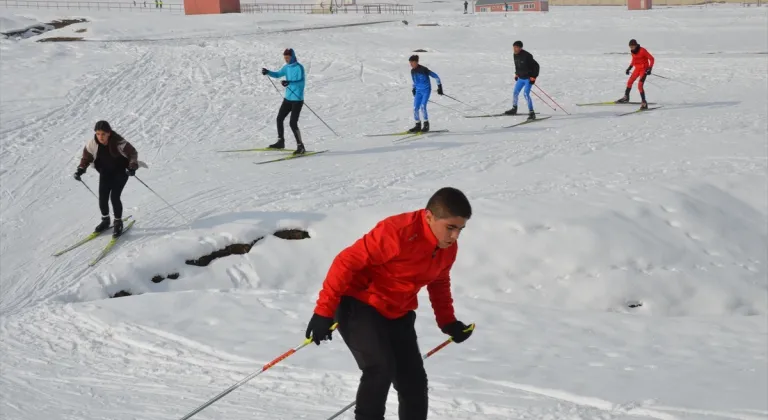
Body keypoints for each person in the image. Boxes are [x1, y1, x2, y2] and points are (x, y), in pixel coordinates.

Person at [305, 187, 475, 420]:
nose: (455, 236)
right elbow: (345, 262)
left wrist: (448, 322)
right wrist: (323, 311)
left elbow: (439, 281)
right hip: (360, 304)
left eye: (460, 229)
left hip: (398, 311)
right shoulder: (397, 232)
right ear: (429, 217)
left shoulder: (447, 248)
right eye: (450, 227)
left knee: (413, 382)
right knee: (379, 369)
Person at [74, 120, 139, 237]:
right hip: (105, 172)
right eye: (98, 134)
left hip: (121, 172)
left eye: (103, 134)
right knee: (103, 197)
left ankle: (118, 222)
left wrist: (132, 166)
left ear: (109, 133)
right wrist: (81, 169)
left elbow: (132, 153)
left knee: (114, 197)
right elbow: (86, 157)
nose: (100, 137)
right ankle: (105, 220)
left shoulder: (118, 141)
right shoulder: (92, 144)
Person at [262, 48, 307, 155]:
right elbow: (278, 74)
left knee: (292, 123)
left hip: (297, 100)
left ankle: (301, 147)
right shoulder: (286, 67)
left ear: (293, 57)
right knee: (279, 119)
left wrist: (289, 82)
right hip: (287, 98)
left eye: (288, 58)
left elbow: (301, 81)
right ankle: (280, 141)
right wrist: (268, 72)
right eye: (285, 58)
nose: (286, 60)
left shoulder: (299, 67)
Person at [408, 54, 444, 133]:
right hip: (418, 91)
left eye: (412, 62)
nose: (411, 64)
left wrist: (440, 87)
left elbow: (436, 76)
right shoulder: (412, 71)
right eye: (410, 62)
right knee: (415, 108)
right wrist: (413, 88)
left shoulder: (424, 69)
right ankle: (417, 125)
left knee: (422, 106)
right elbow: (414, 81)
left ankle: (426, 125)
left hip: (426, 90)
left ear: (416, 62)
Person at [506, 40, 540, 120]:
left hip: (528, 78)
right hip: (521, 78)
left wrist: (533, 76)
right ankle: (514, 109)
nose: (515, 49)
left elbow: (536, 66)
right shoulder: (515, 55)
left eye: (516, 47)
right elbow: (517, 65)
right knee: (515, 93)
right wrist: (517, 73)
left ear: (521, 48)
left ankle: (532, 113)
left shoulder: (527, 56)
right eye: (514, 47)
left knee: (525, 94)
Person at [617, 39, 654, 109]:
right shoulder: (633, 52)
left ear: (636, 45)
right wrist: (629, 68)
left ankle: (644, 103)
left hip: (644, 69)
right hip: (637, 69)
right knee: (629, 82)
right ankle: (626, 97)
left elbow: (652, 59)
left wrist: (650, 68)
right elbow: (634, 60)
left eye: (632, 47)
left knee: (640, 85)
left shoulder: (642, 50)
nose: (631, 48)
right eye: (630, 47)